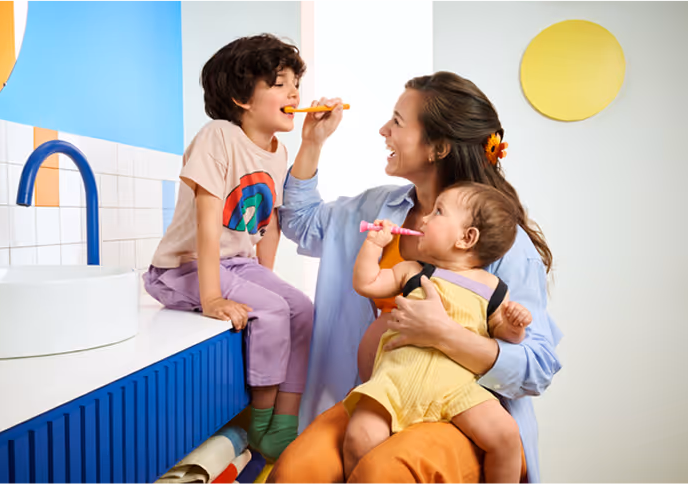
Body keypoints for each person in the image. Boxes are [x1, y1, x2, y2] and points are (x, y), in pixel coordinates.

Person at [269, 71, 562, 484]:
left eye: (397, 122)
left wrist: (444, 334)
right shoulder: (378, 209)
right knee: (297, 472)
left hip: (457, 410)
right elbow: (302, 222)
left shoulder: (504, 247)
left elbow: (537, 366)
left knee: (382, 472)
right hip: (383, 393)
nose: (383, 130)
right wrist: (312, 142)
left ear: (438, 148)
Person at [142, 34, 313, 460]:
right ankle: (258, 425)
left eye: (296, 83)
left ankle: (285, 424)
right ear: (241, 98)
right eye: (279, 82)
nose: (294, 92)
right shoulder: (217, 136)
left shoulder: (278, 150)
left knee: (304, 311)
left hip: (239, 263)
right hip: (183, 267)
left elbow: (268, 222)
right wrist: (211, 295)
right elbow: (206, 221)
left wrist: (268, 277)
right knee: (272, 312)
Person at [345, 182, 533, 484]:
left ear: (466, 237)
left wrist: (515, 325)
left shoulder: (492, 288)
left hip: (457, 388)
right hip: (396, 381)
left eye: (438, 212)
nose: (424, 218)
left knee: (506, 436)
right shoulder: (413, 270)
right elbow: (366, 283)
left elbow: (505, 337)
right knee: (359, 438)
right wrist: (374, 245)